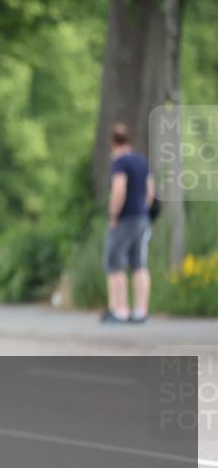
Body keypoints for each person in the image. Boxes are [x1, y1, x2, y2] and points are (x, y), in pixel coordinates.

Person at [101, 123, 154, 324]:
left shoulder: (120, 162)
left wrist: (114, 214)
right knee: (139, 264)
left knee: (115, 263)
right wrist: (143, 211)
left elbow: (119, 190)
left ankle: (120, 311)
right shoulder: (141, 162)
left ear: (112, 142)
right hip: (142, 218)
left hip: (124, 219)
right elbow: (150, 193)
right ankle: (141, 311)